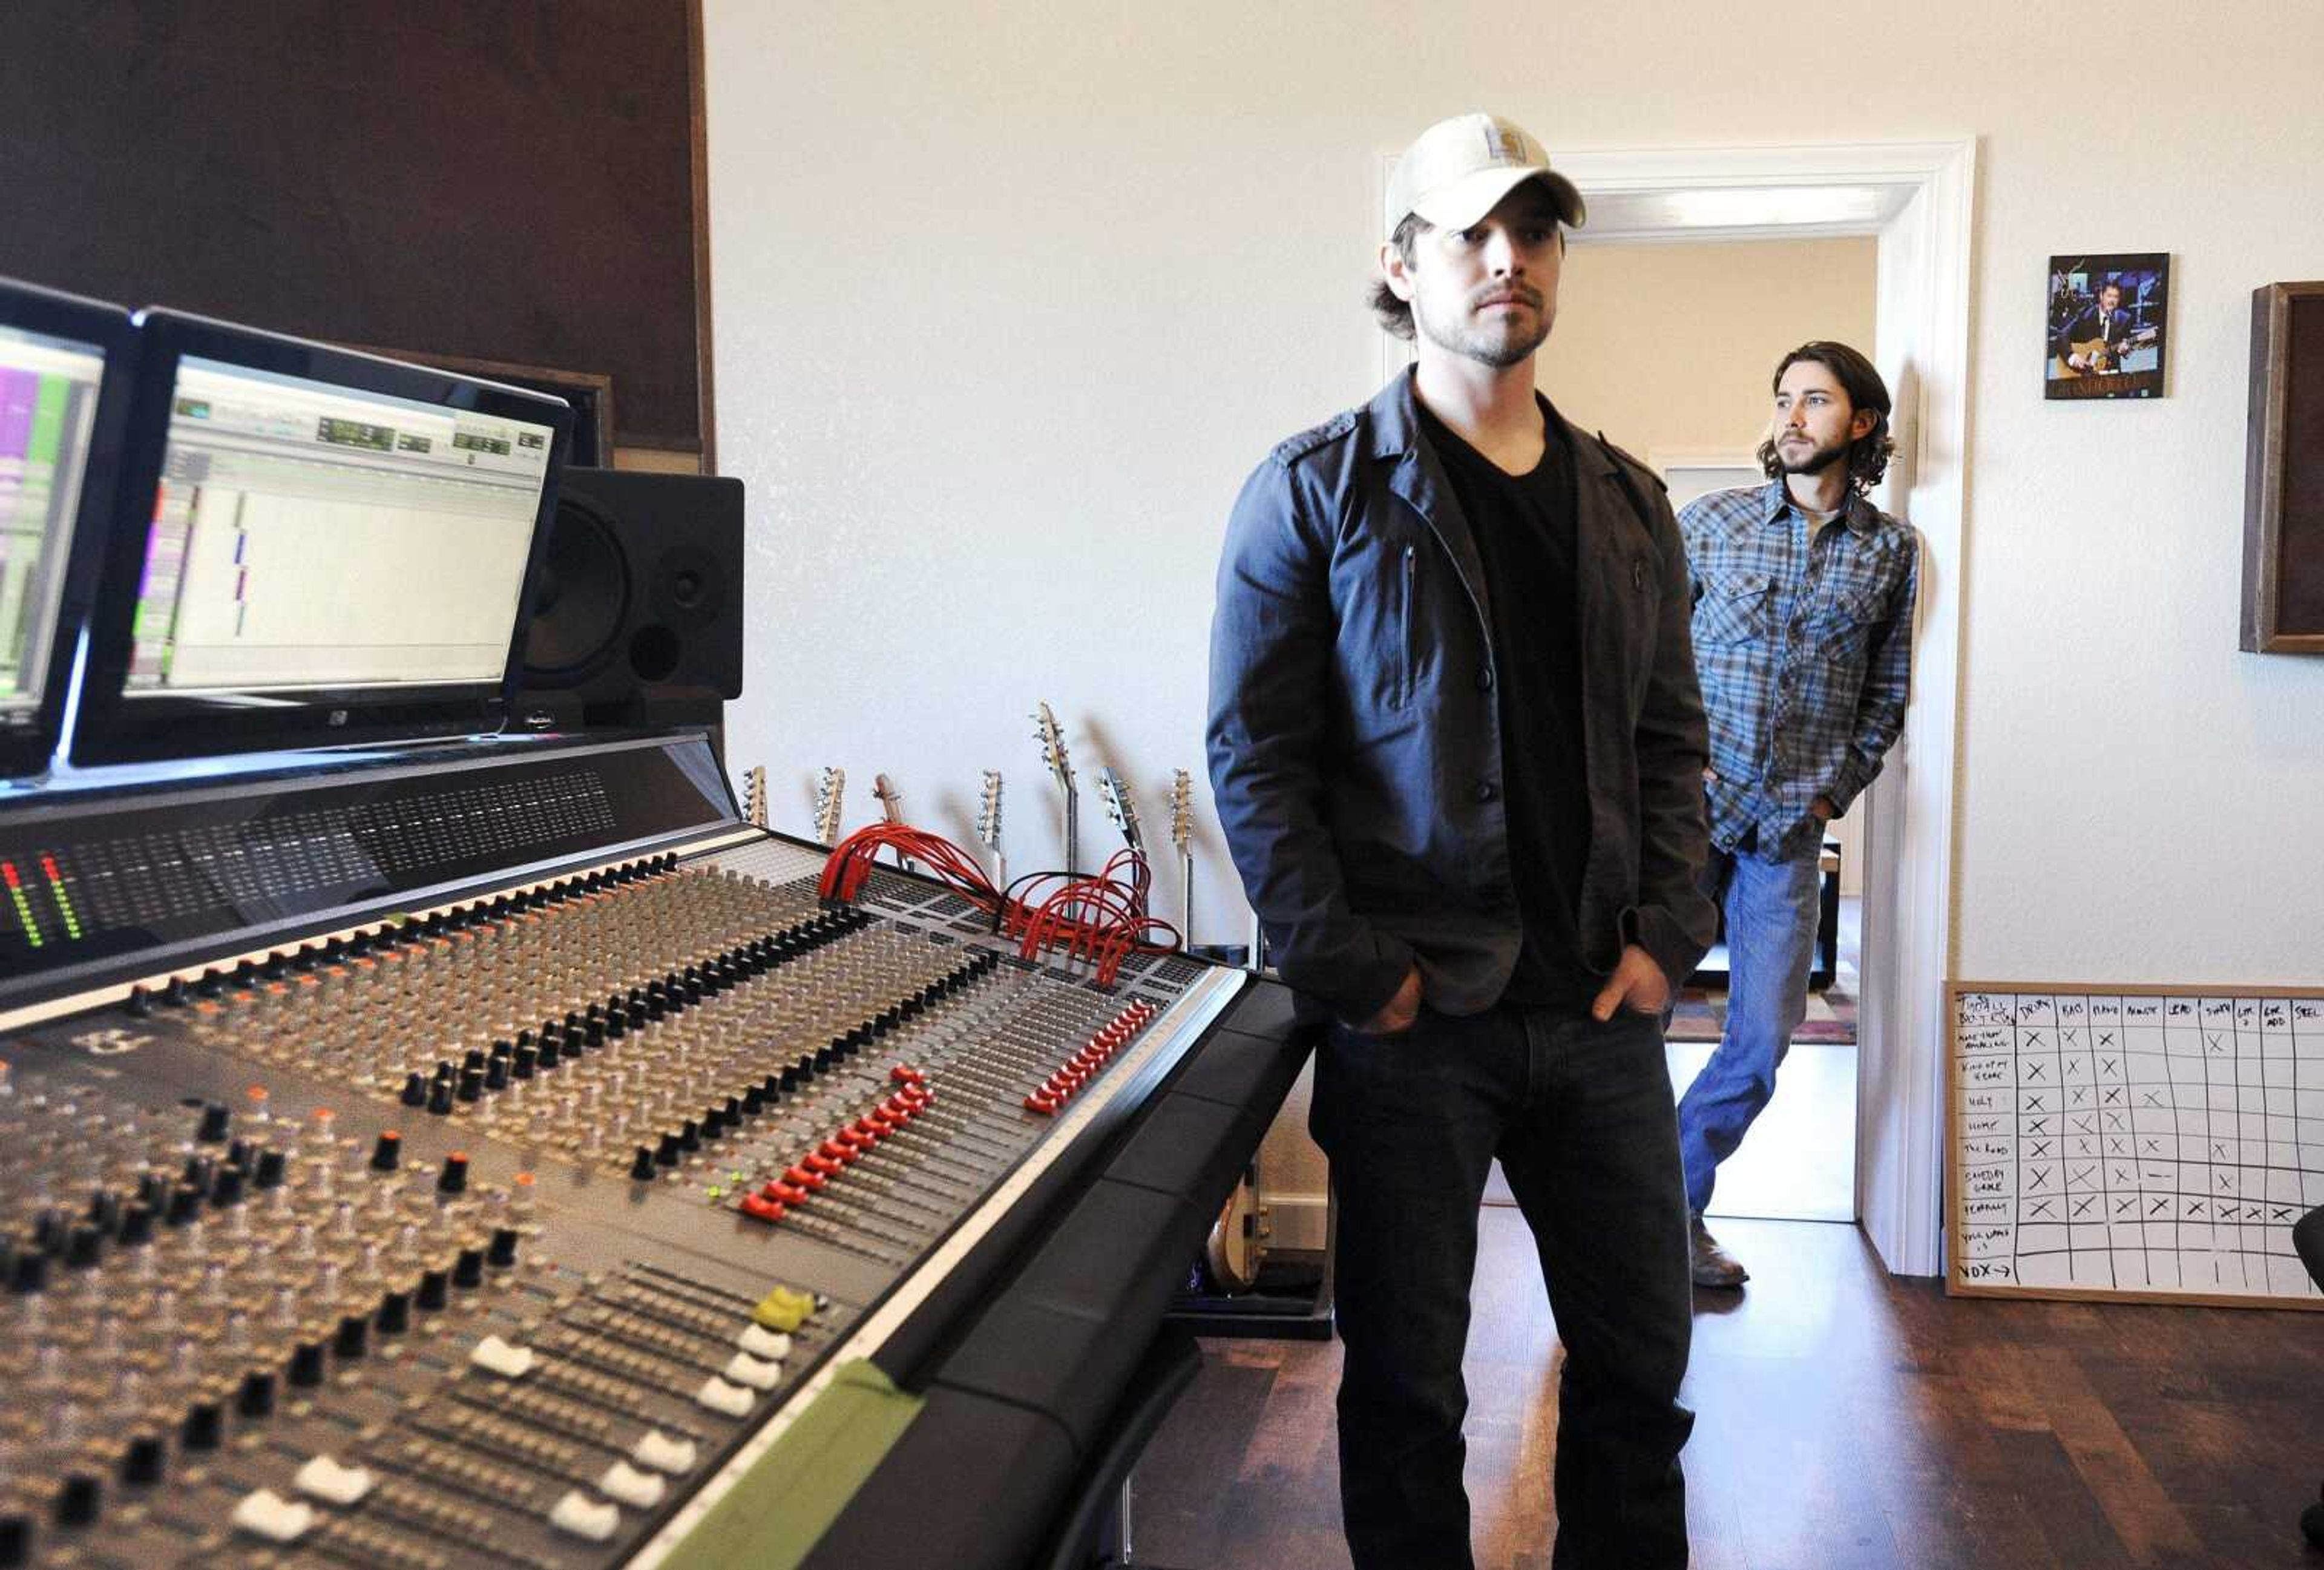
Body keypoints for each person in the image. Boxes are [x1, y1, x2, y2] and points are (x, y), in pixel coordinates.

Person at [1207, 110, 1716, 1570]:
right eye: (1470, 233)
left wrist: (1662, 935)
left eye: (1535, 230)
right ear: (1401, 262)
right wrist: (1357, 974)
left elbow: (1670, 740)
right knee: (1406, 1395)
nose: (1510, 259)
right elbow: (1257, 756)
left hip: (1602, 1019)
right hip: (1411, 1023)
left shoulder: (1627, 503)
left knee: (1639, 1382)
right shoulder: (1312, 491)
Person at [1675, 341, 1919, 1289]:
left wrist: (1833, 791)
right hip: (1682, 821)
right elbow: (1640, 660)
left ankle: (1668, 1205)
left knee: (1764, 1041)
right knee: (1618, 1024)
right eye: (1783, 398)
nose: (1791, 415)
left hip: (1788, 831)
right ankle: (1631, 1226)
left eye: (1814, 400)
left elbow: (1887, 694)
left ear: (1860, 423)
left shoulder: (1891, 551)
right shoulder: (1710, 524)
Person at [2051, 278, 2133, 373]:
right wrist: (2072, 357)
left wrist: (2126, 351)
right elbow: (2062, 336)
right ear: (2101, 296)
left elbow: (2127, 350)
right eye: (2109, 296)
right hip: (2085, 374)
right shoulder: (2086, 315)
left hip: (2111, 374)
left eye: (2116, 297)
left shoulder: (2124, 319)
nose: (2112, 301)